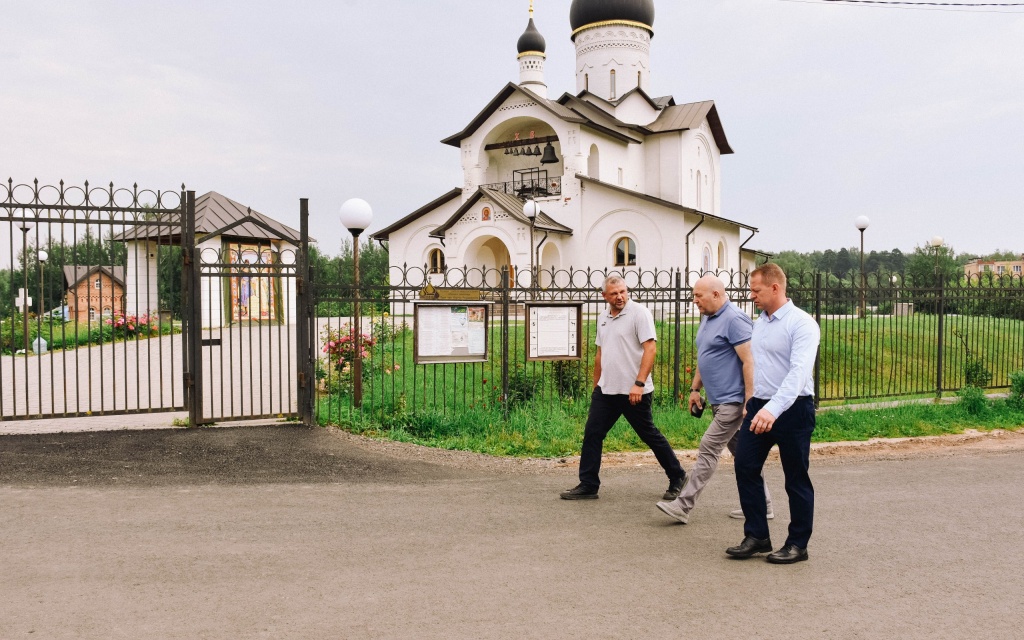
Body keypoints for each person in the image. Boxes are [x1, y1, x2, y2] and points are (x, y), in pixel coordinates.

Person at [654, 275, 773, 524]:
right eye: (694, 295)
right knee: (744, 455)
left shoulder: (735, 319)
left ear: (716, 294)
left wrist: (750, 400)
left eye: (698, 296)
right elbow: (705, 355)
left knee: (708, 448)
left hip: (734, 401)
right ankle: (763, 505)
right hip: (718, 400)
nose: (694, 300)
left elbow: (750, 360)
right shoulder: (708, 317)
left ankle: (683, 505)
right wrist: (695, 389)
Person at [560, 275, 687, 501]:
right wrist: (596, 386)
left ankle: (678, 476)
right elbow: (600, 353)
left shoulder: (639, 313)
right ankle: (588, 484)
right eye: (614, 294)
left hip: (634, 392)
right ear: (604, 296)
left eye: (623, 292)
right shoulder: (603, 317)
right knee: (593, 433)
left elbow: (650, 349)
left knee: (649, 435)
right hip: (606, 391)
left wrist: (639, 383)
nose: (620, 297)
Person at [725, 263, 820, 564]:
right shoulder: (760, 323)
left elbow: (798, 373)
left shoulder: (802, 324)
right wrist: (752, 401)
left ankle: (798, 544)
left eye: (756, 290)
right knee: (745, 465)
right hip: (760, 406)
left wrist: (773, 409)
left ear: (775, 288)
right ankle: (757, 536)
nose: (751, 295)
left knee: (796, 478)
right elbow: (759, 366)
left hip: (793, 409)